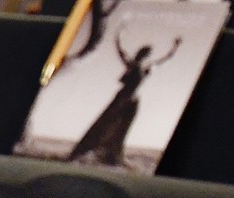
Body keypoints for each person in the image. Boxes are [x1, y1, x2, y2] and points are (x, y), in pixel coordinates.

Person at [68, 31, 181, 167]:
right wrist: (118, 36)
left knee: (121, 130)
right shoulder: (132, 64)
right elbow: (120, 51)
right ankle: (91, 152)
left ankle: (111, 155)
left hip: (132, 102)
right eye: (144, 53)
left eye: (147, 54)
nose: (145, 56)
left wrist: (175, 47)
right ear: (140, 54)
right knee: (106, 125)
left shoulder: (146, 68)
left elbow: (164, 60)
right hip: (122, 99)